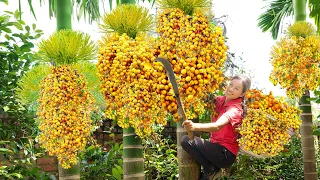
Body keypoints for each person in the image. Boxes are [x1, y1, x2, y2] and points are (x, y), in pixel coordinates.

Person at [181, 75, 251, 180]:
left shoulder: (235, 109)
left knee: (186, 140)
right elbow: (203, 96)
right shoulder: (220, 100)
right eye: (230, 84)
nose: (231, 89)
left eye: (236, 88)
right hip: (214, 150)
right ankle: (210, 169)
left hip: (224, 154)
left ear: (242, 93)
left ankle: (211, 169)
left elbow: (217, 126)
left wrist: (194, 126)